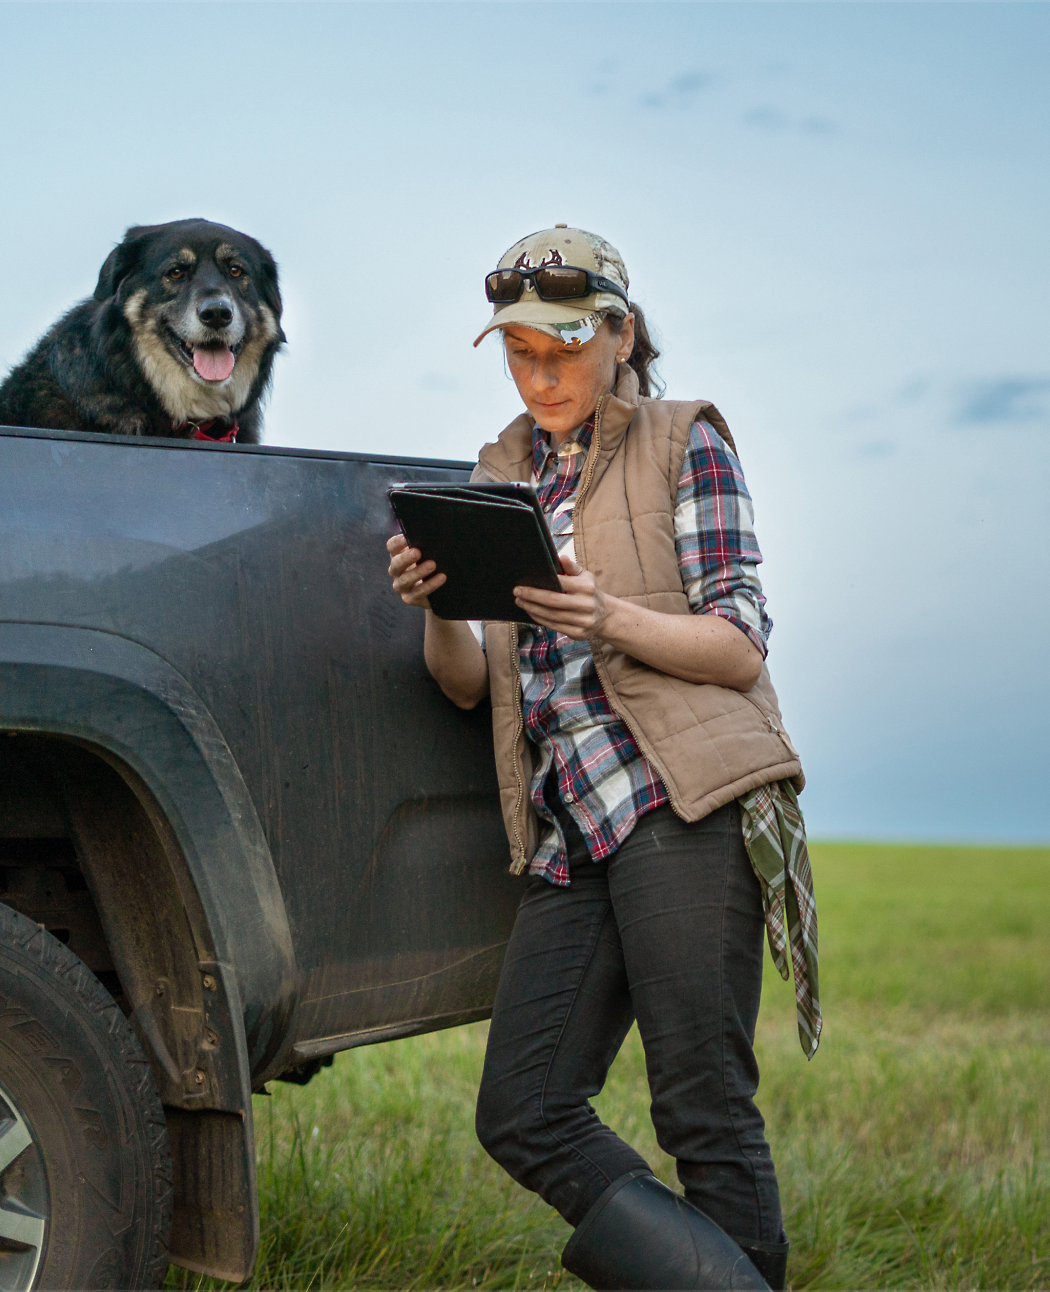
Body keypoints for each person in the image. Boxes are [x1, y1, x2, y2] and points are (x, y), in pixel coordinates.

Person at [386, 225, 817, 1291]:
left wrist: (605, 616)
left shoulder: (684, 439)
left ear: (620, 335)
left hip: (684, 800)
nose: (540, 375)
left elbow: (735, 641)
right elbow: (467, 681)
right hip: (567, 827)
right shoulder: (496, 472)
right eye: (520, 354)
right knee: (523, 1108)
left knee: (699, 1103)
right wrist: (438, 606)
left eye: (563, 350)